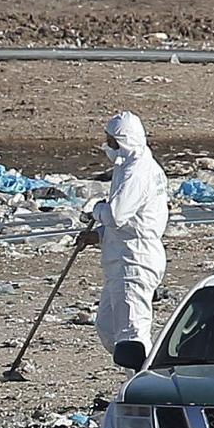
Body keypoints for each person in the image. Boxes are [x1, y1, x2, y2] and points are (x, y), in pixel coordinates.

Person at [76, 112, 169, 360]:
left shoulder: (137, 171)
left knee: (132, 334)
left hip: (134, 259)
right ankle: (137, 374)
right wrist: (99, 236)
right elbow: (129, 219)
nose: (108, 146)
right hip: (122, 257)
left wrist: (94, 209)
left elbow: (116, 215)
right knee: (108, 327)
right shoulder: (128, 166)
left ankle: (143, 384)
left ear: (124, 140)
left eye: (112, 141)